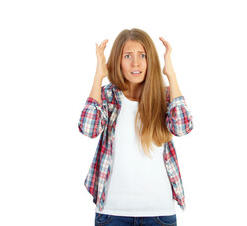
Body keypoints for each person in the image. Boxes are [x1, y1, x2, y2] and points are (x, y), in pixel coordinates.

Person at [78, 28, 194, 226]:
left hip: (159, 213)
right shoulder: (107, 95)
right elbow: (89, 129)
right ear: (118, 61)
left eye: (143, 55)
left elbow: (182, 127)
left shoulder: (164, 96)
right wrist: (98, 77)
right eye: (127, 56)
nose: (136, 63)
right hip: (112, 213)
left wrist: (171, 74)